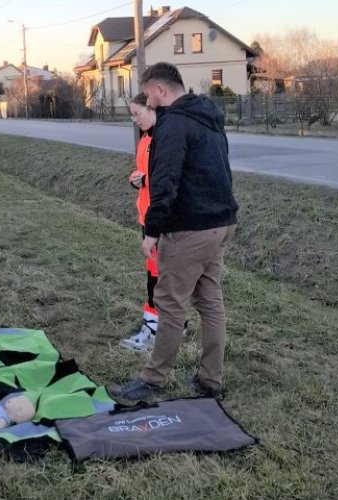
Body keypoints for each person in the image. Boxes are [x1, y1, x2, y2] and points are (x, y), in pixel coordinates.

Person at [109, 62, 238, 401]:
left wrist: (152, 231)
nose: (148, 104)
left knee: (169, 302)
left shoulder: (173, 124)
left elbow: (165, 182)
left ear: (161, 90)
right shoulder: (208, 116)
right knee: (210, 301)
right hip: (221, 223)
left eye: (149, 97)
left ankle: (153, 379)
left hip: (190, 228)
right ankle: (210, 379)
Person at [119, 93, 187, 351]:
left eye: (137, 113)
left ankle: (158, 328)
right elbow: (145, 173)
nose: (134, 120)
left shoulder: (165, 139)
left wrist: (147, 181)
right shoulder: (145, 139)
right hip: (146, 215)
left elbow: (170, 178)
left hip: (161, 220)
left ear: (152, 108)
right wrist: (135, 179)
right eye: (131, 115)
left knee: (159, 277)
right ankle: (167, 325)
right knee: (154, 274)